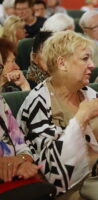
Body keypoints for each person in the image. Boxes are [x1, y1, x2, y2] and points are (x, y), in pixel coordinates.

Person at [17, 31, 98, 197]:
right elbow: (52, 172)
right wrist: (81, 119)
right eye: (85, 58)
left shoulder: (91, 95)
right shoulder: (38, 103)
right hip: (71, 191)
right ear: (62, 63)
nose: (92, 64)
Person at [0, 54, 39, 183]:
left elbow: (24, 148)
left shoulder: (1, 103)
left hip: (15, 180)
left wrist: (18, 162)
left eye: (0, 68)